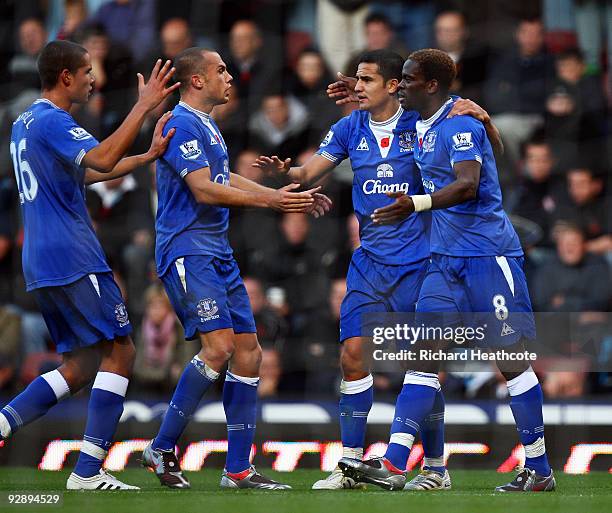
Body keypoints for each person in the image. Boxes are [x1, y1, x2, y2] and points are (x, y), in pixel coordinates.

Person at [254, 49, 503, 491]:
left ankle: (436, 467)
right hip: (369, 263)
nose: (357, 87)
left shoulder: (422, 125)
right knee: (352, 355)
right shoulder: (349, 127)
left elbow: (446, 109)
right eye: (356, 80)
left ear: (393, 85)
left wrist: (480, 115)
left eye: (367, 80)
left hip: (423, 261)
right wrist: (286, 172)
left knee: (421, 367)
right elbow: (310, 171)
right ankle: (349, 465)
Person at [338, 48, 555, 493]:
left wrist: (414, 204)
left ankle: (540, 469)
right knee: (423, 357)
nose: (401, 85)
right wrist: (355, 93)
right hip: (442, 260)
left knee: (511, 363)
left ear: (431, 84)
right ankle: (397, 463)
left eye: (408, 79)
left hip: (488, 257)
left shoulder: (459, 122)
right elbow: (488, 152)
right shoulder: (423, 125)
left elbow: (470, 183)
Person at [140, 47, 330, 491]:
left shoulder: (209, 126)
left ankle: (238, 469)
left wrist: (280, 192)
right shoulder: (180, 122)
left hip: (218, 253)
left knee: (250, 352)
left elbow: (223, 176)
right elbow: (204, 189)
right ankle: (162, 446)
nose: (230, 77)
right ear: (197, 81)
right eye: (221, 70)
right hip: (188, 250)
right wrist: (273, 201)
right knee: (220, 347)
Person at [1, 40, 180, 490]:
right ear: (65, 77)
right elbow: (99, 157)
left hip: (40, 260)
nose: (92, 79)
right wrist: (141, 108)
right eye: (85, 72)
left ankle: (2, 425)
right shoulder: (54, 119)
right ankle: (87, 471)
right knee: (121, 351)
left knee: (80, 365)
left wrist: (146, 157)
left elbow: (87, 172)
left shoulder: (25, 122)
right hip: (73, 255)